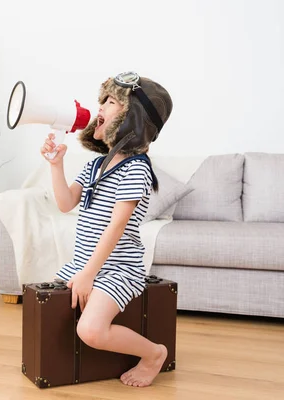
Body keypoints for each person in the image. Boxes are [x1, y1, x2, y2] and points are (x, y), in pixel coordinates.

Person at [40, 72, 173, 387]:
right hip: (87, 264)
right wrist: (55, 165)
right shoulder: (95, 166)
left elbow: (116, 228)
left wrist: (89, 274)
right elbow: (65, 202)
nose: (99, 108)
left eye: (110, 101)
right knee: (54, 312)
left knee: (90, 330)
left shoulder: (136, 168)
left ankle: (154, 353)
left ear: (131, 117)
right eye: (101, 100)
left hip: (117, 269)